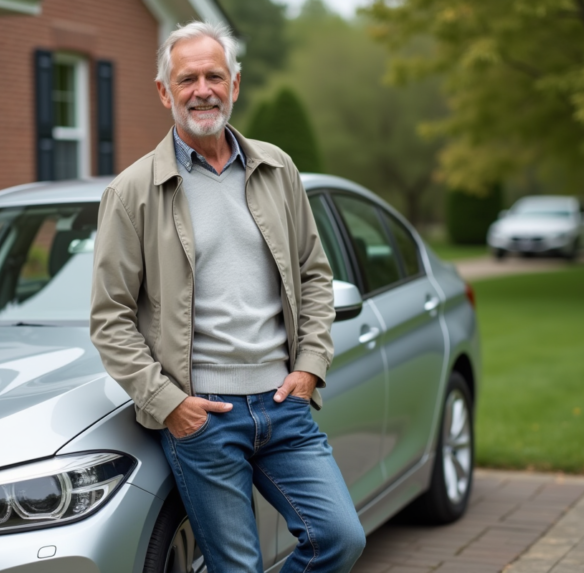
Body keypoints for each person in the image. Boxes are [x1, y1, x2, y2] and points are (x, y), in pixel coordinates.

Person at [90, 20, 366, 573]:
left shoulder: (276, 168)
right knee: (236, 566)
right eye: (187, 78)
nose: (203, 90)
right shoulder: (132, 191)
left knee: (340, 538)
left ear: (235, 84)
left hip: (285, 405)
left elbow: (313, 274)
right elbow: (110, 318)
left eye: (214, 75)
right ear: (165, 92)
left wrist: (310, 365)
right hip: (204, 417)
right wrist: (169, 405)